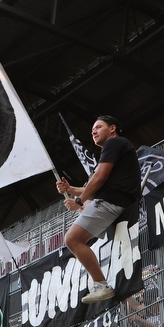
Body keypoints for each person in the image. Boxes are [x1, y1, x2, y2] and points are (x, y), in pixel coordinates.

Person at [56, 116, 142, 303]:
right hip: (114, 200)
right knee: (85, 207)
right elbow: (97, 185)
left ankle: (101, 284)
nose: (93, 131)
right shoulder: (115, 149)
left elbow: (99, 179)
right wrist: (71, 190)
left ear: (112, 128)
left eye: (98, 127)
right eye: (92, 129)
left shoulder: (114, 143)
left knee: (72, 238)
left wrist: (78, 200)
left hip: (111, 202)